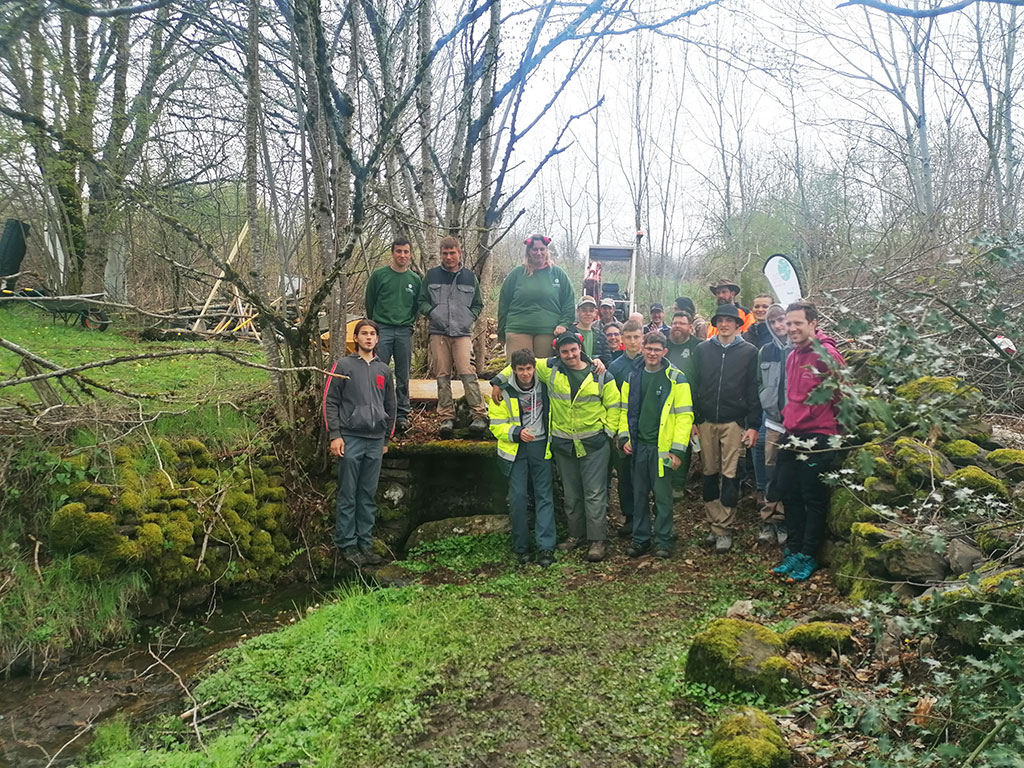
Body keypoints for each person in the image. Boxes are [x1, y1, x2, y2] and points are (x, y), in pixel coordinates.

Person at [492, 332, 620, 562]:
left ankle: (597, 540)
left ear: (581, 348)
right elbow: (519, 364)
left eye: (573, 350)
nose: (570, 355)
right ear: (558, 353)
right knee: (571, 494)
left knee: (594, 493)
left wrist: (607, 433)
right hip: (563, 443)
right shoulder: (550, 368)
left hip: (594, 442)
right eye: (564, 351)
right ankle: (575, 535)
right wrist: (496, 382)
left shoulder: (600, 373)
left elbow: (615, 405)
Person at [771, 302, 846, 583]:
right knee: (788, 492)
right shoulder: (792, 356)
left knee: (812, 496)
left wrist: (830, 432)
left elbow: (843, 397)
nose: (791, 329)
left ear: (813, 323)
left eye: (797, 323)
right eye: (788, 324)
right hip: (791, 433)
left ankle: (808, 554)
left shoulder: (826, 355)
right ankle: (793, 548)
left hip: (819, 435)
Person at [324, 319, 396, 567]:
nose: (368, 337)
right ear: (356, 338)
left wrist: (386, 437)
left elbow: (391, 405)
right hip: (351, 438)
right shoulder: (343, 366)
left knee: (367, 494)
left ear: (377, 339)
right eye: (364, 333)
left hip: (375, 441)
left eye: (372, 334)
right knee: (348, 494)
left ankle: (365, 544)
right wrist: (335, 435)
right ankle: (347, 545)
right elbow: (330, 402)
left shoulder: (383, 370)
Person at [618, 331, 693, 559]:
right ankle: (641, 539)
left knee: (662, 497)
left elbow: (684, 416)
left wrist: (678, 450)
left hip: (663, 449)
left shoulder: (676, 379)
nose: (652, 353)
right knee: (639, 495)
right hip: (639, 447)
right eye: (648, 349)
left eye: (656, 350)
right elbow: (624, 411)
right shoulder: (633, 376)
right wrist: (624, 438)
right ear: (642, 349)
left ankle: (663, 539)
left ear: (664, 352)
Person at [693, 303, 761, 554]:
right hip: (706, 420)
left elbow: (754, 390)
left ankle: (725, 528)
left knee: (730, 475)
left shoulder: (749, 352)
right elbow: (694, 384)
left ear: (737, 324)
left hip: (734, 422)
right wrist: (693, 419)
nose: (724, 324)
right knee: (709, 473)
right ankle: (714, 523)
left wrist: (752, 425)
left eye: (729, 321)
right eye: (720, 320)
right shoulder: (703, 350)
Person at [488, 348, 556, 567]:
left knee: (544, 495)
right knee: (517, 497)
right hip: (516, 450)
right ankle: (521, 547)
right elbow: (496, 426)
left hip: (541, 445)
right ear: (514, 370)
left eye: (528, 369)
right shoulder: (502, 392)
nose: (525, 373)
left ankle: (546, 548)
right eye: (520, 370)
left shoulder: (545, 382)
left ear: (534, 368)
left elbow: (563, 359)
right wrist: (516, 432)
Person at [418, 235, 487, 438]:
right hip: (439, 332)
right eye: (445, 253)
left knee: (467, 372)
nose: (449, 257)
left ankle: (479, 415)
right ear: (440, 254)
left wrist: (469, 317)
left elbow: (478, 304)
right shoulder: (431, 276)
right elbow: (421, 301)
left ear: (460, 253)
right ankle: (446, 417)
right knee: (442, 375)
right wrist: (433, 312)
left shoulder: (469, 277)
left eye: (452, 253)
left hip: (462, 333)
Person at [364, 238, 420, 433]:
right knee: (379, 372)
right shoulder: (379, 275)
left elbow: (416, 307)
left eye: (406, 251)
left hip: (404, 330)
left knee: (403, 374)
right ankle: (377, 410)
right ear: (392, 253)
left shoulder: (414, 280)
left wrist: (409, 323)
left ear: (411, 254)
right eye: (398, 251)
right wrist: (375, 327)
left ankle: (402, 414)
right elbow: (370, 301)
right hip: (383, 329)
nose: (402, 255)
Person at [498, 234, 576, 358]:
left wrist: (564, 323)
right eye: (535, 249)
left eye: (542, 249)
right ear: (529, 251)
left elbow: (569, 302)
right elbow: (503, 303)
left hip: (548, 330)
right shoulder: (517, 274)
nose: (538, 253)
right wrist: (501, 332)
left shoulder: (557, 273)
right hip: (517, 328)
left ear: (547, 251)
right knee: (520, 370)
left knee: (543, 371)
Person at [754, 304, 791, 546]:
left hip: (796, 424)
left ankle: (786, 519)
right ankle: (769, 519)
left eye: (781, 320)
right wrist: (766, 401)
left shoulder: (799, 349)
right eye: (774, 322)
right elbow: (759, 382)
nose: (778, 325)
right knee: (770, 471)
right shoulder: (765, 351)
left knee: (790, 472)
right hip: (773, 421)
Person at [608, 320, 644, 537]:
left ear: (642, 338)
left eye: (636, 337)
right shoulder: (616, 367)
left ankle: (646, 516)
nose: (632, 341)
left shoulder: (651, 361)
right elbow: (612, 400)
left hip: (646, 429)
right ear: (622, 339)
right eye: (628, 337)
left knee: (646, 475)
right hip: (623, 429)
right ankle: (629, 516)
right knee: (625, 475)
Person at [572, 295, 612, 364]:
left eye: (591, 311)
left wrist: (599, 362)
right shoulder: (569, 333)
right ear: (578, 311)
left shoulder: (601, 336)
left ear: (595, 313)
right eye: (584, 310)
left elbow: (607, 359)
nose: (588, 314)